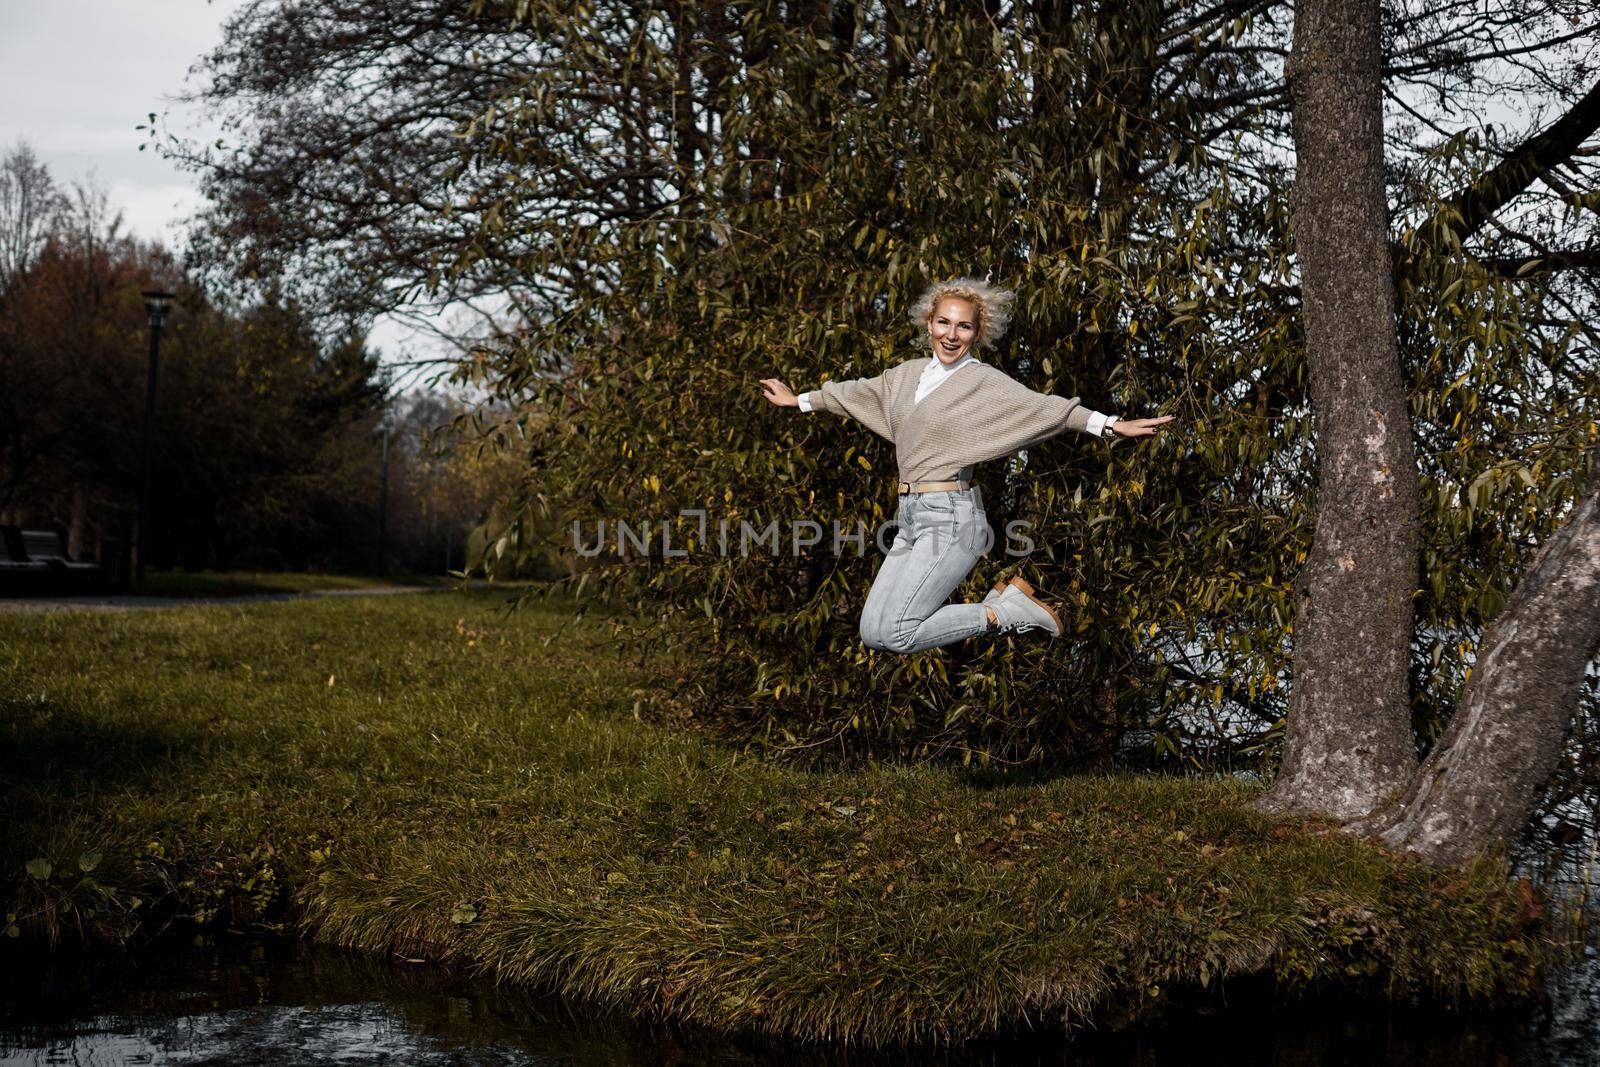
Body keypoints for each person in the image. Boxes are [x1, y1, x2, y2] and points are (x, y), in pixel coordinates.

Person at [759, 276, 1174, 653]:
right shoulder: (906, 376)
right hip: (910, 516)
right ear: (929, 324)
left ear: (977, 333)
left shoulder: (983, 381)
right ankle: (1001, 606)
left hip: (953, 518)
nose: (951, 335)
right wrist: (800, 401)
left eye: (964, 327)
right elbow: (853, 395)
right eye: (944, 323)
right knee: (874, 633)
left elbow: (1047, 410)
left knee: (900, 630)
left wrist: (1111, 425)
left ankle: (1005, 613)